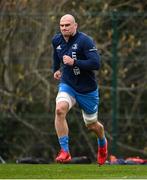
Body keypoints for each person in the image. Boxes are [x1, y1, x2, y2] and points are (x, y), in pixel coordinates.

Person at [51, 14, 108, 165]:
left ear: (75, 25)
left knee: (92, 125)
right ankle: (65, 151)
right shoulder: (56, 40)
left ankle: (102, 143)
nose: (64, 28)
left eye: (67, 25)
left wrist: (74, 62)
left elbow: (96, 63)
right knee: (59, 110)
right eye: (62, 25)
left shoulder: (85, 40)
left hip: (87, 90)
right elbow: (57, 55)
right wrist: (56, 69)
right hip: (68, 84)